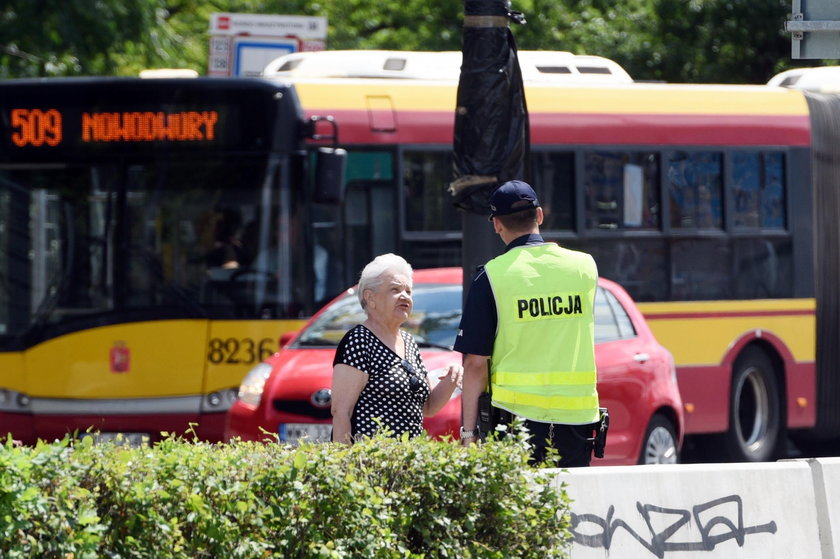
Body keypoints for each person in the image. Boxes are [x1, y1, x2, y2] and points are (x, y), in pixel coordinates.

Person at [455, 180, 601, 466]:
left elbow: (475, 365)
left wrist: (469, 432)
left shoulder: (491, 277)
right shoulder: (585, 267)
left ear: (496, 224)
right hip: (579, 420)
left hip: (516, 422)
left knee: (521, 509)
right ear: (540, 216)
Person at [331, 253, 463, 443]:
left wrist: (451, 379)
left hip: (406, 460)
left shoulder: (409, 341)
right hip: (371, 461)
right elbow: (341, 411)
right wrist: (344, 465)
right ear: (370, 297)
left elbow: (428, 407)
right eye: (395, 290)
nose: (405, 297)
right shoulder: (359, 341)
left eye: (408, 291)